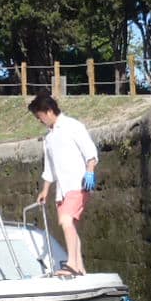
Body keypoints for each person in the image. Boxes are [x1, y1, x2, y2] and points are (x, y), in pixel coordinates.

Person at [30, 93, 98, 277]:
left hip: (78, 183)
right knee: (69, 226)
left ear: (49, 111)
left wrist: (90, 171)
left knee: (66, 221)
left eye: (40, 116)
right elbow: (50, 168)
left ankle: (72, 264)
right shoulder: (49, 138)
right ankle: (80, 268)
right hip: (62, 190)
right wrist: (45, 190)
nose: (40, 120)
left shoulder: (72, 126)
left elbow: (89, 150)